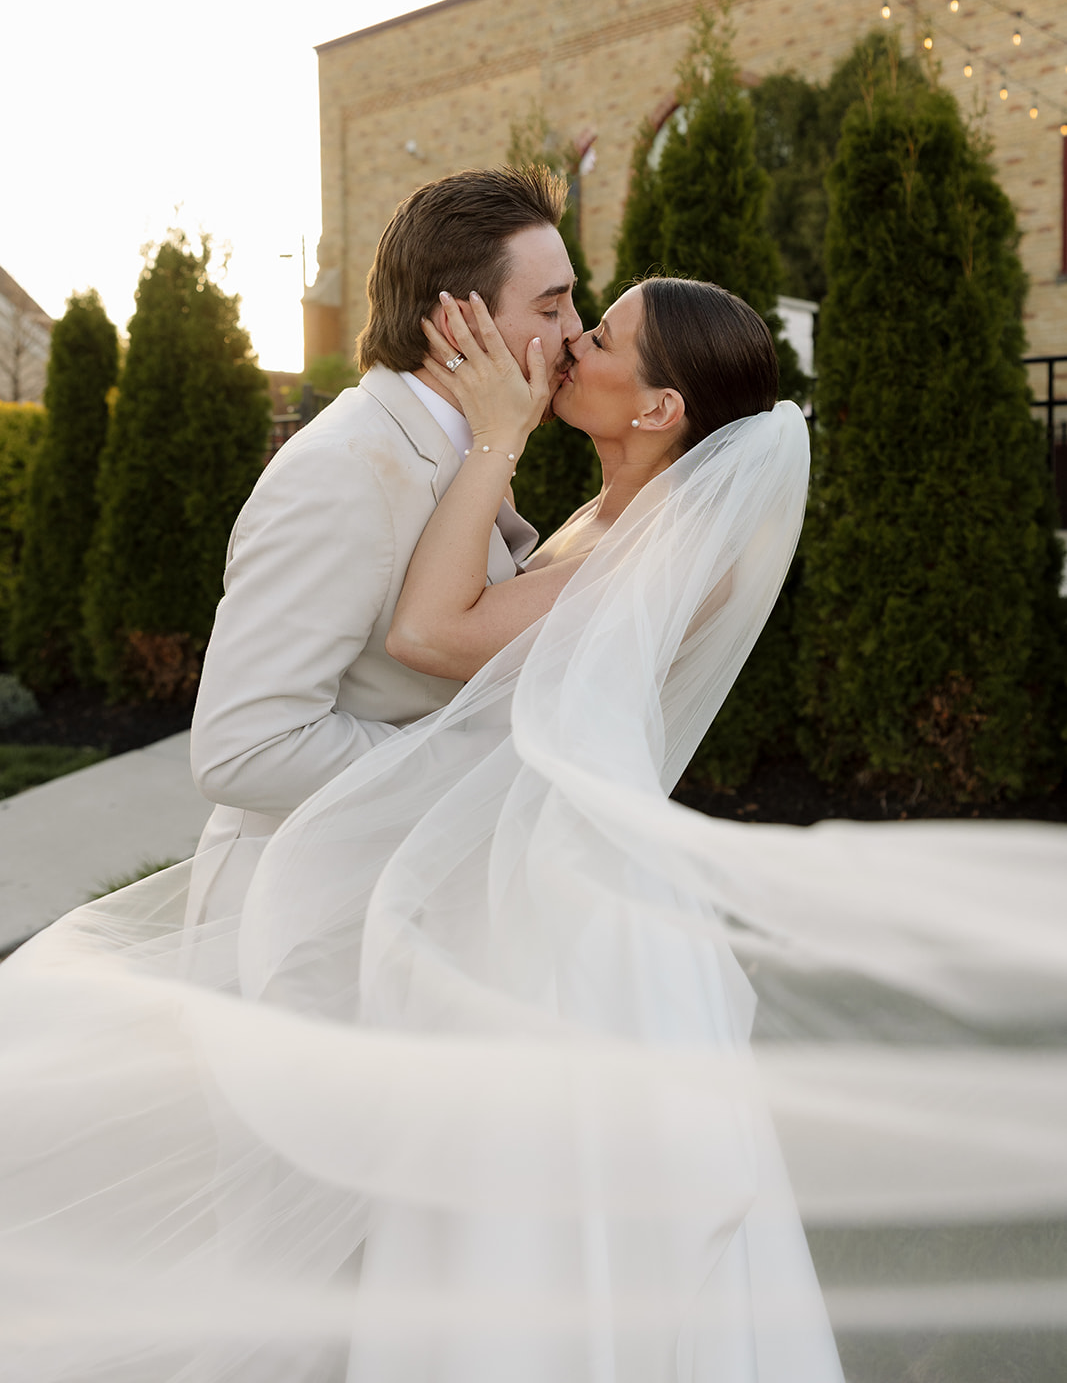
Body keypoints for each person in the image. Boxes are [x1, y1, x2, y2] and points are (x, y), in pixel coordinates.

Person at [1, 279, 1064, 1382]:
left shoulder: (649, 546)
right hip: (541, 891)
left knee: (538, 1222)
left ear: (655, 409)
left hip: (565, 930)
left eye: (599, 336)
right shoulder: (620, 518)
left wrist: (495, 438)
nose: (571, 345)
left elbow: (427, 630)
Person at [186, 165, 582, 923]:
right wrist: (482, 772)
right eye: (551, 304)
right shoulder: (343, 470)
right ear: (454, 323)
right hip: (313, 921)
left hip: (407, 906)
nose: (574, 330)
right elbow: (244, 746)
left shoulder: (465, 448)